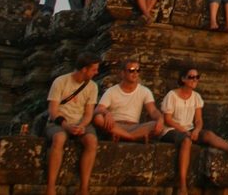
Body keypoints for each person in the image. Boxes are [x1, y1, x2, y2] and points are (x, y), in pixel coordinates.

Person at [161, 65, 228, 195]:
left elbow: (198, 120)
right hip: (172, 130)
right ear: (183, 79)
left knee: (207, 134)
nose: (194, 79)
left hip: (190, 129)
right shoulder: (172, 95)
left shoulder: (196, 97)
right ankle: (183, 185)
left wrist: (196, 130)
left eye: (197, 77)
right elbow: (167, 119)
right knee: (186, 141)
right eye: (191, 77)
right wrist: (185, 131)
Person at [45, 52, 100, 195]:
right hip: (59, 122)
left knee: (92, 141)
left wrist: (82, 126)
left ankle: (83, 188)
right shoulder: (60, 81)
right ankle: (51, 187)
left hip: (80, 122)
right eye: (94, 69)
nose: (96, 72)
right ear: (84, 69)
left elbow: (89, 113)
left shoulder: (92, 87)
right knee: (59, 138)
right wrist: (66, 126)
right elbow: (53, 111)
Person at [92, 58, 163, 141]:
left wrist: (160, 119)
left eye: (138, 70)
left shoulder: (145, 91)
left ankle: (123, 136)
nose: (135, 73)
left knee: (156, 125)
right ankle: (132, 137)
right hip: (115, 125)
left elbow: (153, 111)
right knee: (98, 118)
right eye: (131, 70)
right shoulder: (111, 91)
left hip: (134, 127)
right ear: (123, 73)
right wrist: (107, 113)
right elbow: (98, 109)